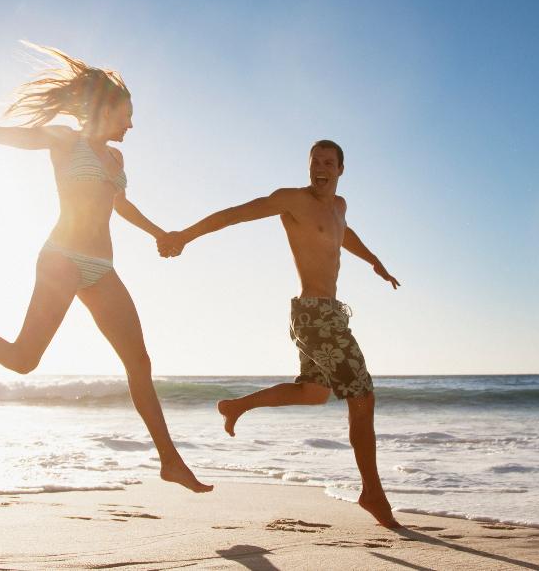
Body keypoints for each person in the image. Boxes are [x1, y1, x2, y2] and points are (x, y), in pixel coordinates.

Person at [0, 46, 211, 493]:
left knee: (139, 363)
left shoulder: (115, 160)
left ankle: (170, 461)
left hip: (102, 267)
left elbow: (118, 203)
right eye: (127, 114)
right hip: (62, 258)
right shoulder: (64, 140)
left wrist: (158, 232)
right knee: (25, 359)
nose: (131, 124)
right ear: (105, 109)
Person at [159, 140, 402, 526]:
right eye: (314, 162)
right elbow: (236, 214)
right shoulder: (291, 200)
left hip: (323, 315)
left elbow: (344, 233)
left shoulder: (339, 207)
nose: (319, 168)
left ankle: (236, 405)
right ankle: (372, 492)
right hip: (316, 317)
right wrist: (183, 236)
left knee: (312, 393)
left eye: (328, 162)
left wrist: (374, 262)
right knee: (362, 396)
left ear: (341, 169)